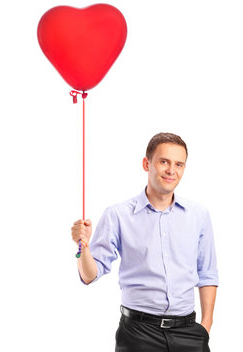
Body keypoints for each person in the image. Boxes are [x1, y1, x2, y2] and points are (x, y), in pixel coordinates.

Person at [71, 132, 218, 352]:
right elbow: (90, 274)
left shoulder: (198, 215)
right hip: (138, 335)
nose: (171, 170)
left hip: (189, 333)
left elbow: (207, 273)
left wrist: (206, 326)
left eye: (179, 164)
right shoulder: (118, 215)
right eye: (164, 161)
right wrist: (83, 245)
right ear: (146, 163)